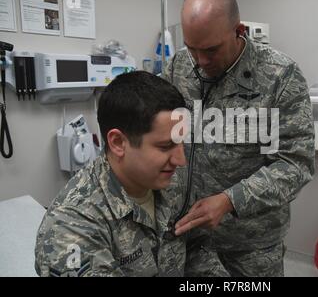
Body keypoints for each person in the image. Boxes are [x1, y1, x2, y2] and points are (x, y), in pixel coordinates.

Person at [163, 0, 315, 277]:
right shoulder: (178, 66)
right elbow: (160, 126)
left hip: (251, 245)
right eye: (192, 48)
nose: (201, 62)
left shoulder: (279, 76)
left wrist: (231, 199)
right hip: (189, 236)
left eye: (211, 50)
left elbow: (296, 164)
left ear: (239, 30)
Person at [35, 71, 227, 277]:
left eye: (182, 142)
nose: (180, 160)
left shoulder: (172, 180)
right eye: (165, 146)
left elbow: (196, 247)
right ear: (118, 143)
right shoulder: (70, 228)